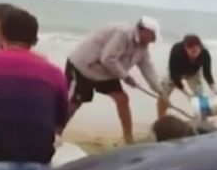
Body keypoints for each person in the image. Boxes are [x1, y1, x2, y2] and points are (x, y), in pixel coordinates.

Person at [0, 8, 68, 170]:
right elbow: (59, 121)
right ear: (35, 40)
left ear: (1, 34)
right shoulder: (54, 73)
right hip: (37, 168)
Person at [65, 16, 166, 144]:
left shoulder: (143, 46)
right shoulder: (123, 34)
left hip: (106, 73)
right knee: (74, 103)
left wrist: (159, 90)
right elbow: (107, 58)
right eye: (153, 37)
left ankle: (128, 139)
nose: (153, 41)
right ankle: (55, 134)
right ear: (145, 31)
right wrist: (126, 77)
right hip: (84, 67)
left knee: (122, 99)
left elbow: (147, 67)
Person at [157, 34, 217, 118]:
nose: (194, 53)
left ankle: (203, 121)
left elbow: (207, 74)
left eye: (197, 50)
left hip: (194, 73)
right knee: (164, 93)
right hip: (176, 71)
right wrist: (187, 94)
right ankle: (161, 118)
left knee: (200, 97)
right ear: (185, 48)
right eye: (192, 50)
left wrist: (214, 90)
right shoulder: (176, 51)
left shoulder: (205, 53)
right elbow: (174, 76)